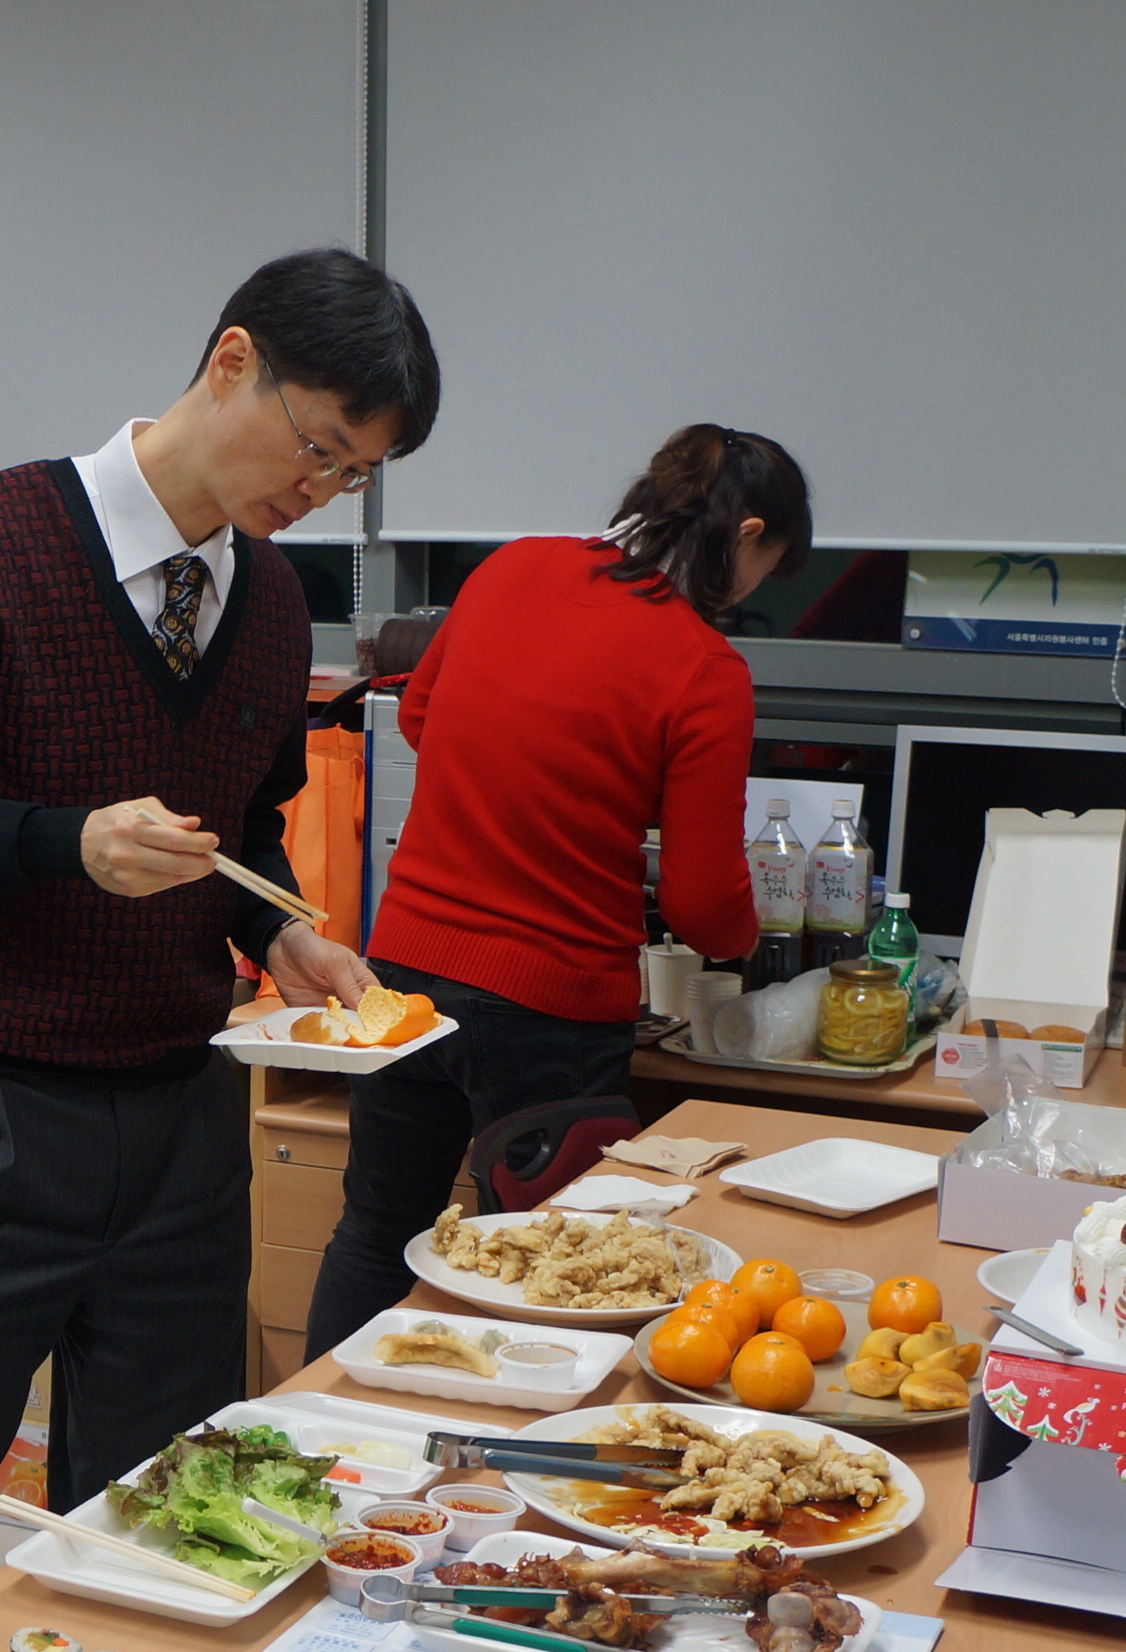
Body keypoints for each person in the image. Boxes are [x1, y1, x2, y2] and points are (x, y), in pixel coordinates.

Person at [0, 247, 441, 1652]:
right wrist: (66, 843)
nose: (320, 488)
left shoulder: (269, 602)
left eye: (354, 474)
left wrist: (277, 925)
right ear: (232, 364)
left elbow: (243, 823)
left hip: (178, 1127)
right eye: (317, 446)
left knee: (167, 1533)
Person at [300, 425, 812, 1356]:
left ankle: (323, 1438)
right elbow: (705, 909)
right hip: (546, 1008)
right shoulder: (703, 667)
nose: (750, 592)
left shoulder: (513, 567)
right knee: (556, 1269)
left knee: (377, 1233)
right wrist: (748, 933)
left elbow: (420, 714)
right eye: (765, 569)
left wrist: (519, 788)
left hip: (404, 975)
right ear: (746, 534)